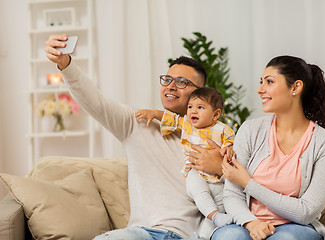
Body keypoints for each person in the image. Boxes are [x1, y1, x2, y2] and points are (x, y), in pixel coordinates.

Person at [45, 34, 225, 240]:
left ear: (200, 93)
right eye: (167, 79)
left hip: (183, 236)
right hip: (141, 233)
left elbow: (231, 195)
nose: (171, 86)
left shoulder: (213, 139)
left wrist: (219, 167)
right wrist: (65, 65)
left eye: (182, 82)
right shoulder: (138, 122)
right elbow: (95, 101)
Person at [212, 55, 325, 240]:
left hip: (295, 228)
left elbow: (306, 212)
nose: (260, 89)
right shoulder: (250, 130)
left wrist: (248, 183)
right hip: (246, 223)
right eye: (261, 82)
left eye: (269, 82)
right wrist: (252, 223)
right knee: (229, 237)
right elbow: (232, 195)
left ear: (296, 87)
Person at [135, 87, 234, 234]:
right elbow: (171, 119)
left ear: (216, 114)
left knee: (219, 204)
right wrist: (154, 113)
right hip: (195, 172)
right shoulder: (187, 124)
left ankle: (204, 234)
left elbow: (231, 143)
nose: (193, 111)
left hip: (217, 178)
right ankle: (214, 215)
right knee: (200, 192)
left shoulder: (223, 130)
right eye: (190, 107)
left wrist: (229, 148)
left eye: (200, 107)